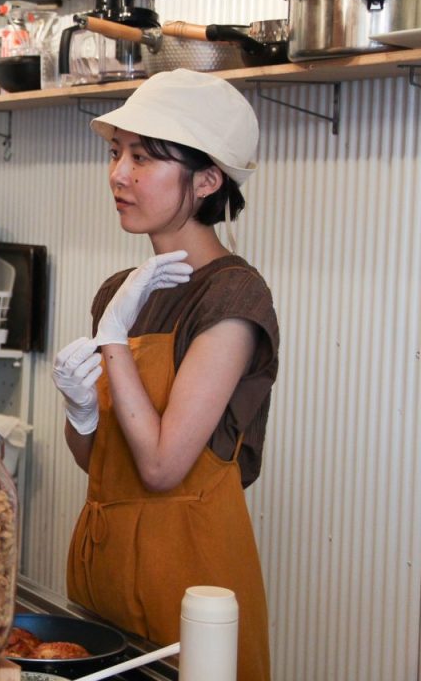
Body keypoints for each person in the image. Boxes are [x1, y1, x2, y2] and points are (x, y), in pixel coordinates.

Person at [53, 70, 279, 680]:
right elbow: (103, 460)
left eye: (144, 158)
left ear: (207, 180)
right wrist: (79, 413)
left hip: (187, 581)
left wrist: (114, 342)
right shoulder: (121, 293)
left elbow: (160, 466)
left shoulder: (233, 296)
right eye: (116, 152)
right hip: (103, 571)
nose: (119, 174)